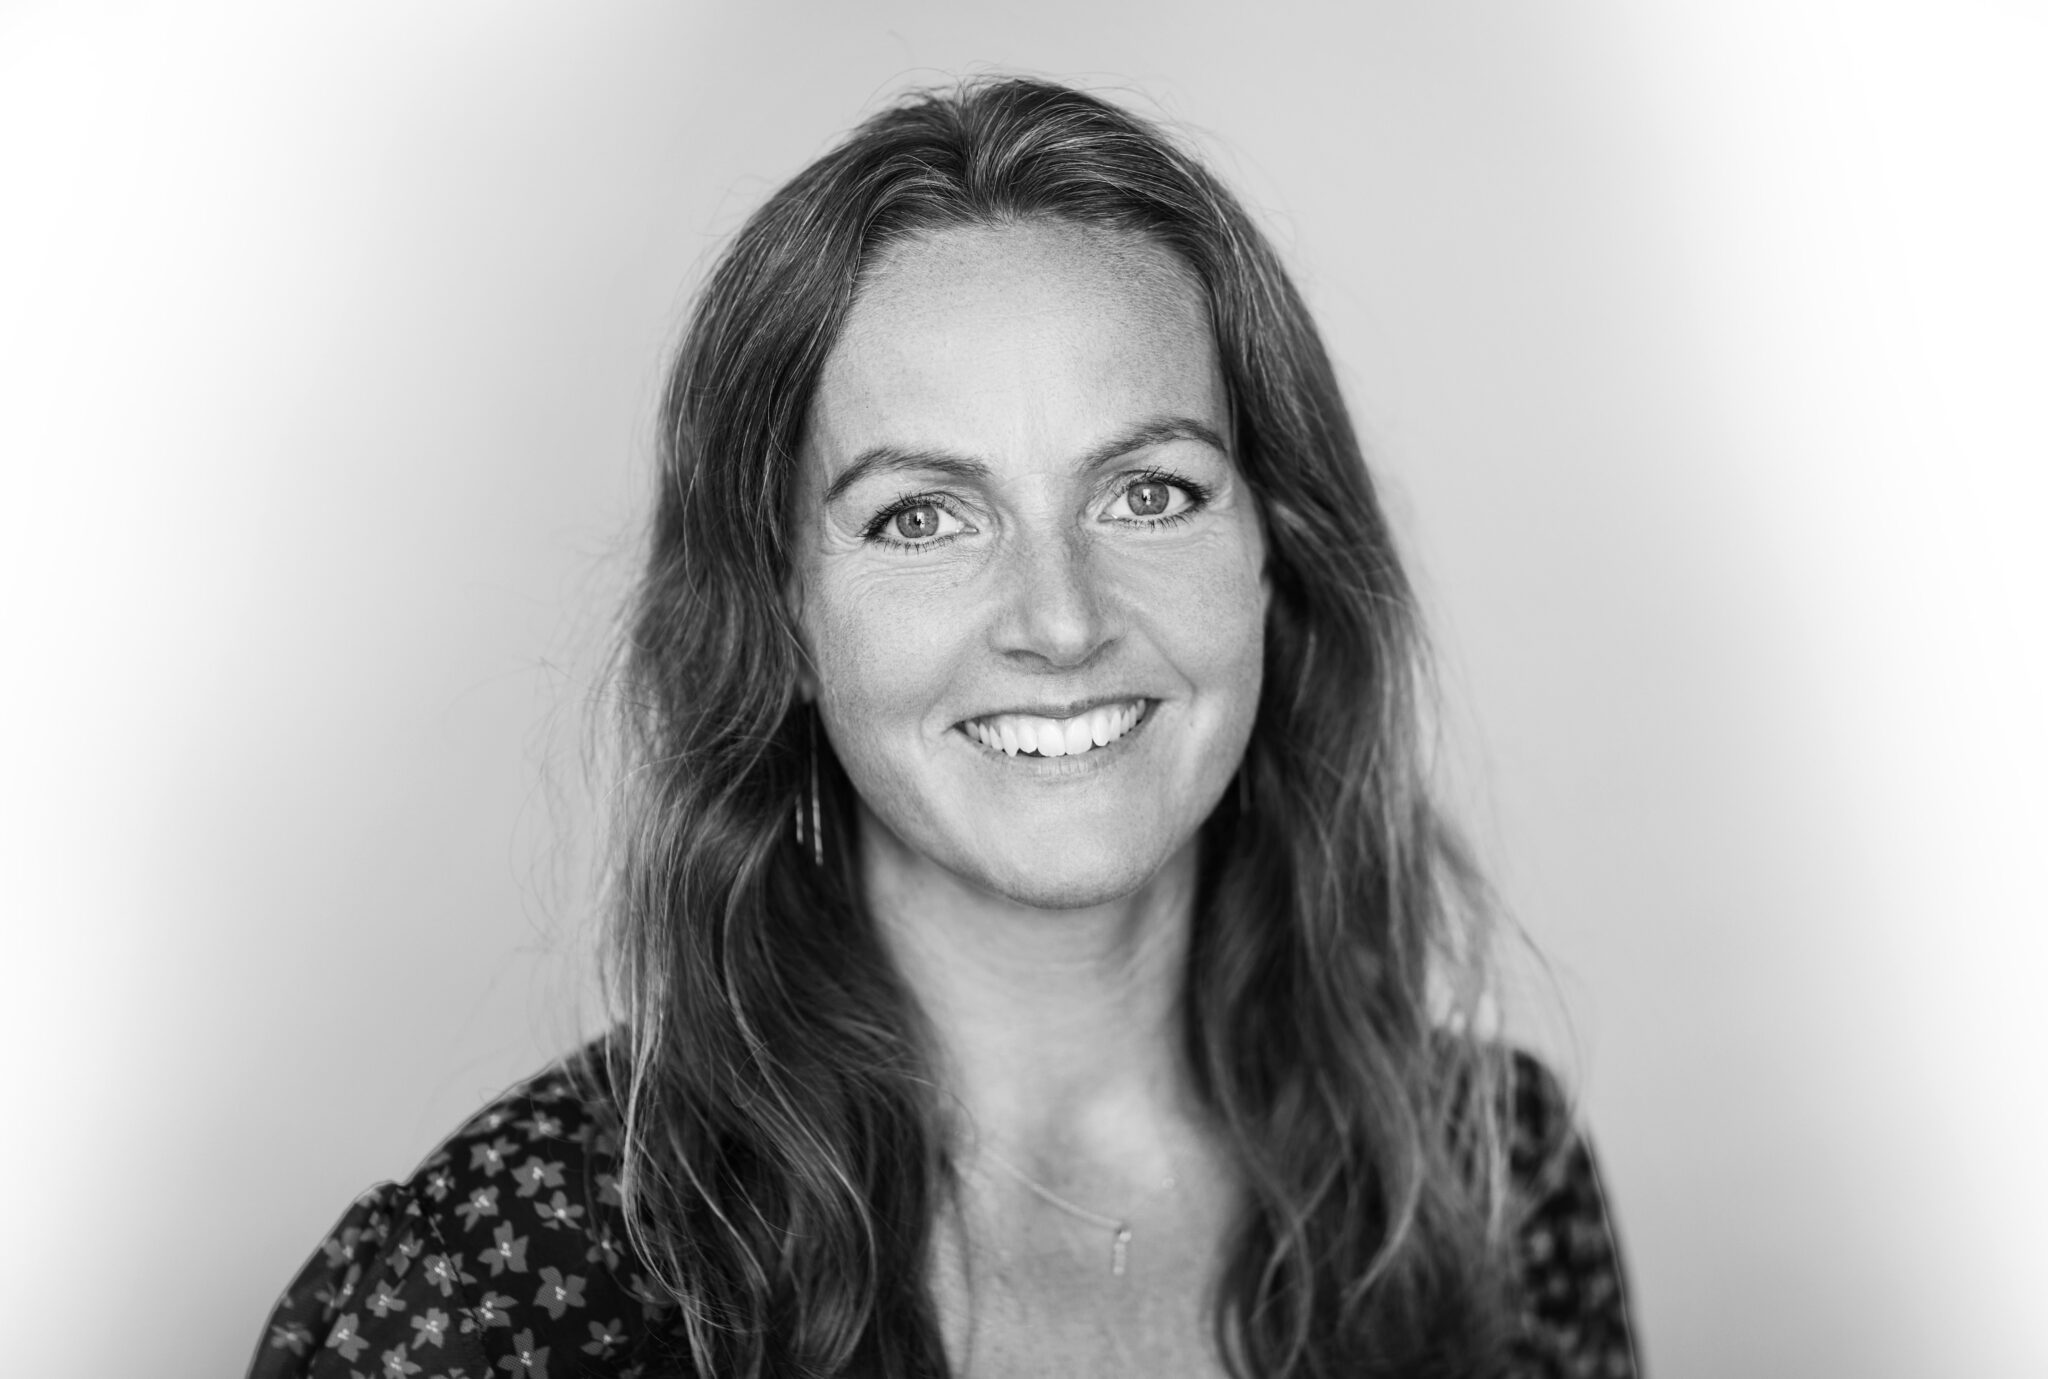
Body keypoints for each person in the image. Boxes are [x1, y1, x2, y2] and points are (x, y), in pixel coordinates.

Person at [249, 77, 1637, 1379]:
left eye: (1150, 492)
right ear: (781, 618)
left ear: (1276, 552)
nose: (1061, 620)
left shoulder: (1496, 1182)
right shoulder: (501, 1290)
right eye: (921, 517)